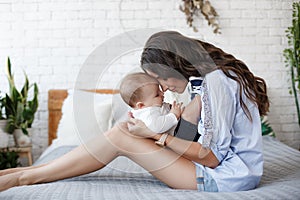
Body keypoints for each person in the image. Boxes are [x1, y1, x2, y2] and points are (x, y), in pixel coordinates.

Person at [0, 31, 269, 192]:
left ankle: (22, 176)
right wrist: (177, 120)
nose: (164, 88)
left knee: (121, 137)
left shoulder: (218, 82)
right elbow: (199, 137)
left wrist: (157, 138)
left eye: (161, 79)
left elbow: (212, 159)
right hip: (214, 169)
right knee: (121, 131)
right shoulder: (209, 81)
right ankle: (27, 172)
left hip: (225, 179)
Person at [119, 72, 201, 143]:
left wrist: (169, 108)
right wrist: (173, 115)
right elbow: (157, 127)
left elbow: (162, 111)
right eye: (157, 95)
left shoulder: (150, 106)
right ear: (141, 105)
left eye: (159, 90)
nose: (162, 93)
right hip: (175, 136)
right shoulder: (148, 112)